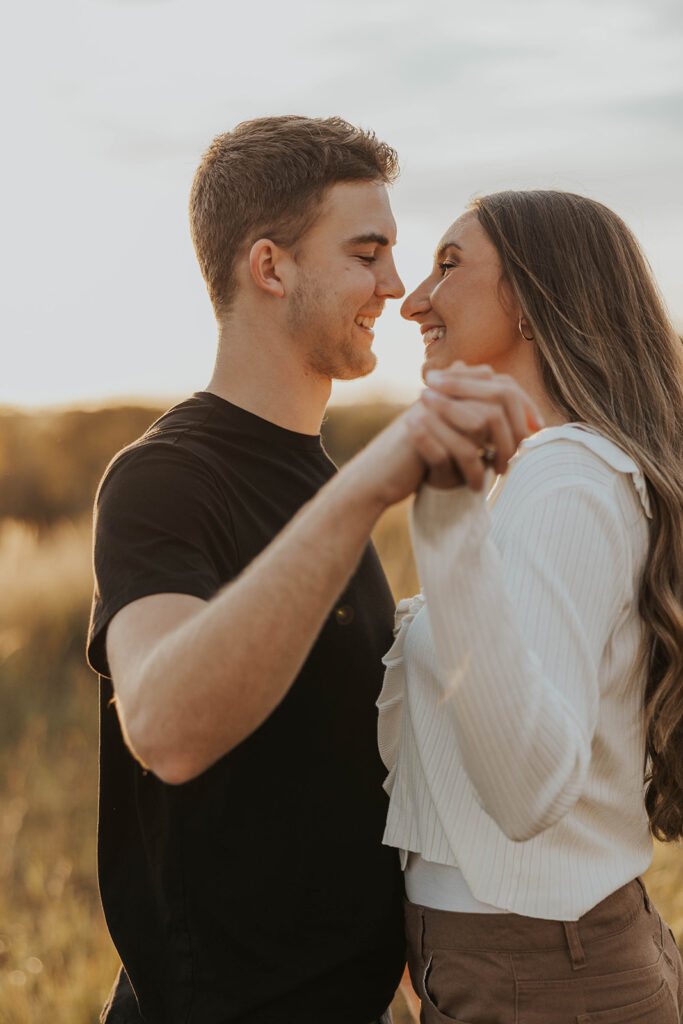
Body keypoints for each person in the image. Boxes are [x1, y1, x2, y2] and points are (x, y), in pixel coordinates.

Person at [87, 116, 538, 1024]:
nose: (396, 286)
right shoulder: (164, 476)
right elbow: (167, 728)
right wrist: (373, 483)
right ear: (269, 267)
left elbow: (332, 770)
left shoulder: (318, 475)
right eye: (367, 253)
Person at [374, 190, 683, 1022]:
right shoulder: (543, 477)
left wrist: (440, 522)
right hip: (518, 961)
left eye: (448, 265)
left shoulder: (565, 478)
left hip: (540, 976)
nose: (410, 301)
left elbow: (526, 790)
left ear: (535, 299)